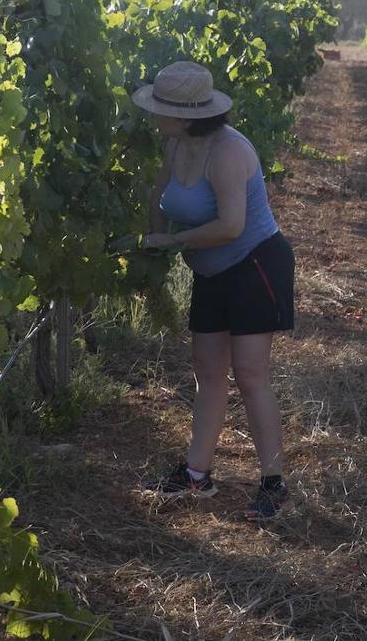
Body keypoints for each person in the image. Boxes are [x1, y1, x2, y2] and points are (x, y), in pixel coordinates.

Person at [133, 60, 296, 521]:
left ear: (186, 115)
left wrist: (172, 241)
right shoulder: (175, 144)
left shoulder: (228, 151)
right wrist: (154, 234)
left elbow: (230, 226)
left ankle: (273, 481)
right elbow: (158, 196)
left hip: (256, 265)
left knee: (249, 374)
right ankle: (196, 473)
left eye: (160, 108)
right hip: (211, 272)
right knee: (207, 370)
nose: (153, 115)